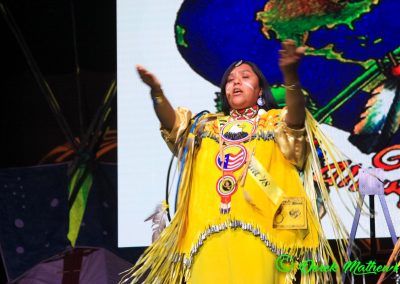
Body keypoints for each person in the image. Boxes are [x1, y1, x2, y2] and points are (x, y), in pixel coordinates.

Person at [121, 40, 351, 283]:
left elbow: (295, 122)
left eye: (244, 76)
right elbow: (172, 126)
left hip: (264, 235)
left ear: (260, 89)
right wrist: (157, 93)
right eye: (230, 80)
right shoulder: (205, 127)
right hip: (206, 236)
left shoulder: (274, 123)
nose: (236, 82)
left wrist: (290, 75)